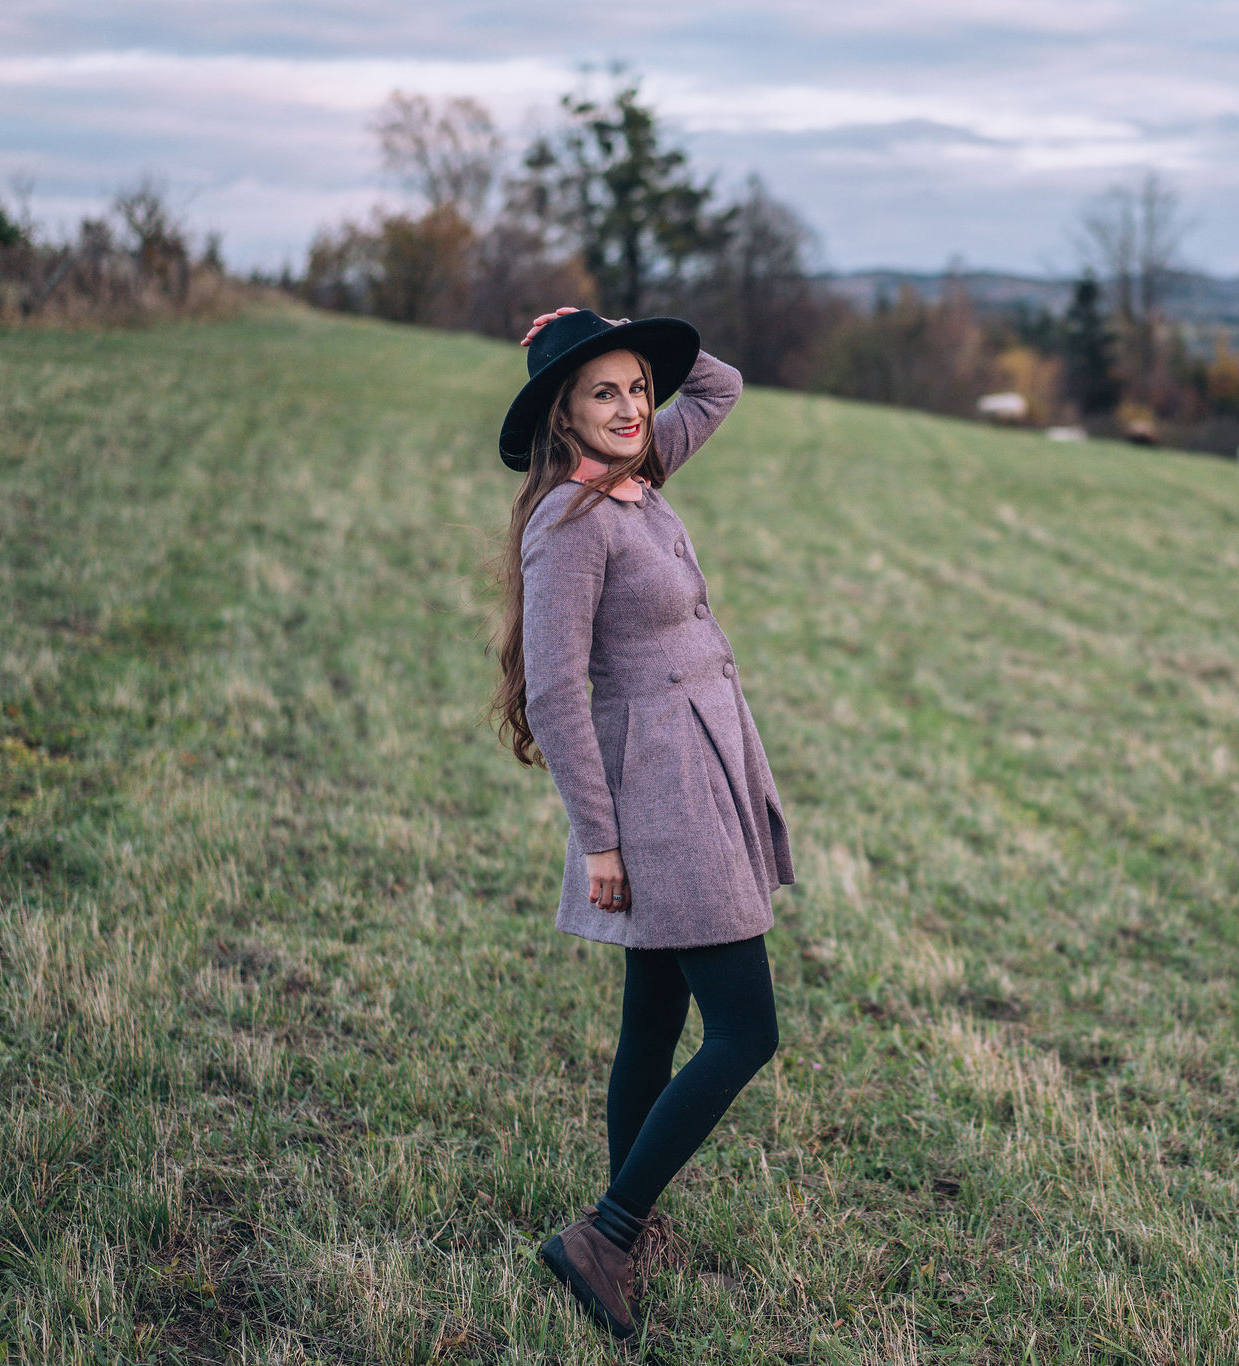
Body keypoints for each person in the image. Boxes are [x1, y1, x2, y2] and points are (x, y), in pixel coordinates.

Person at [489, 306, 795, 1339]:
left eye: (636, 387)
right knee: (746, 1030)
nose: (630, 408)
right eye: (602, 391)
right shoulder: (568, 525)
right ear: (562, 415)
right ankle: (605, 1235)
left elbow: (720, 385)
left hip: (701, 765)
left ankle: (625, 1219)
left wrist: (624, 335)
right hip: (659, 795)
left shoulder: (640, 470)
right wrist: (601, 840)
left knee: (655, 1022)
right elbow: (554, 691)